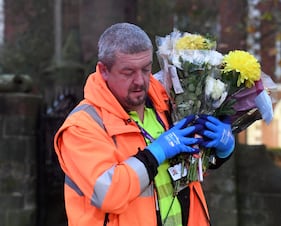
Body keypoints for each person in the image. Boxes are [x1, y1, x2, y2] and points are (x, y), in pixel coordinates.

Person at [54, 22, 235, 226]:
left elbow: (192, 167)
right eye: (128, 72)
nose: (140, 81)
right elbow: (107, 194)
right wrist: (156, 152)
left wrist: (222, 150)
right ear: (104, 70)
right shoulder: (82, 126)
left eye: (146, 70)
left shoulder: (170, 103)